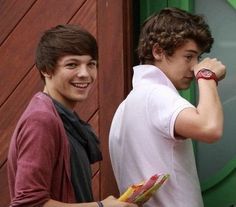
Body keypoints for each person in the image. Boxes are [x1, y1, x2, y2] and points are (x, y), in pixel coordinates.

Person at [7, 24, 137, 207]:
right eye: (72, 64)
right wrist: (101, 206)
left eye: (91, 64)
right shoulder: (41, 120)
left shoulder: (64, 118)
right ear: (46, 69)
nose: (85, 74)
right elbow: (29, 203)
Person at [109, 7, 226, 207]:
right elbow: (210, 128)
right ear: (158, 51)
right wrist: (207, 76)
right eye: (188, 56)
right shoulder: (157, 95)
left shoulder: (126, 105)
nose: (194, 66)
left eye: (197, 58)